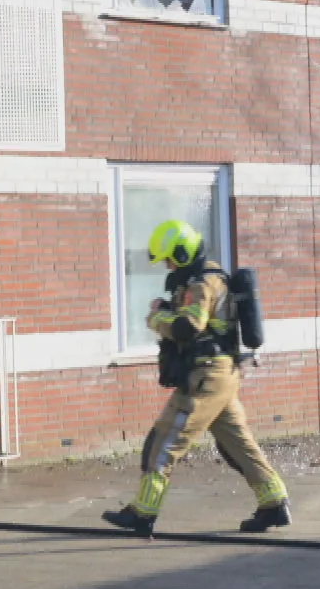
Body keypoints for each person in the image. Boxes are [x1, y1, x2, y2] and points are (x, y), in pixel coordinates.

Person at [103, 220, 291, 536]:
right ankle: (274, 503)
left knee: (164, 442)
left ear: (181, 252)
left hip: (205, 376)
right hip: (221, 376)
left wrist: (157, 318)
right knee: (238, 445)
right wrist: (169, 307)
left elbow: (189, 326)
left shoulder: (202, 284)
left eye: (169, 259)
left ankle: (143, 513)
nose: (167, 265)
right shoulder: (206, 279)